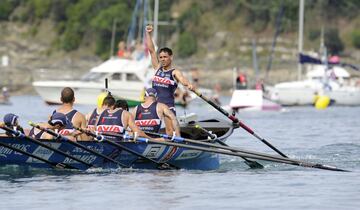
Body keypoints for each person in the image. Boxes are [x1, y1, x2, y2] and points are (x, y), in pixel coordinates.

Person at [145, 24, 195, 116]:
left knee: (170, 130)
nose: (162, 59)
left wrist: (189, 84)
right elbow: (151, 51)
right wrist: (148, 34)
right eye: (160, 57)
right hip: (155, 106)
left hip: (168, 107)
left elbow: (183, 80)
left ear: (171, 57)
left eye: (165, 57)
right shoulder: (157, 68)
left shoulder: (175, 72)